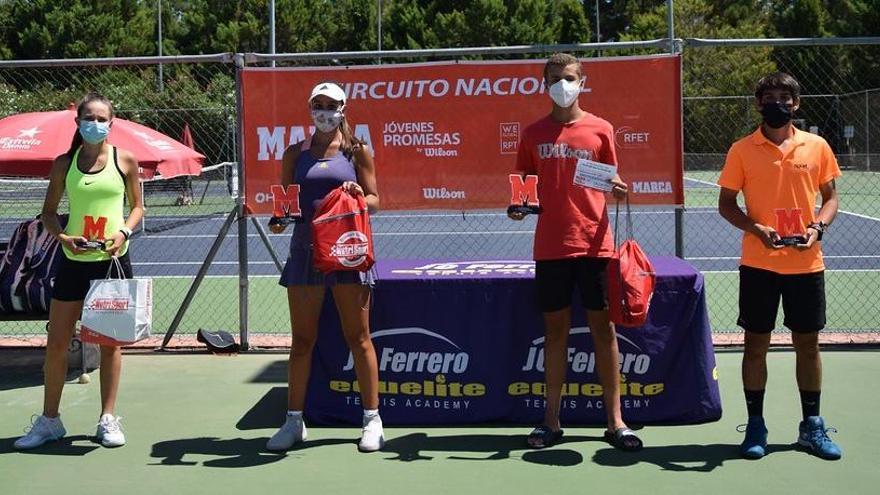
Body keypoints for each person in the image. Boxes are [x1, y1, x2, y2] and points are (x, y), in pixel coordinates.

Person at [510, 53, 639, 451]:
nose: (561, 84)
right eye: (554, 78)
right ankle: (550, 420)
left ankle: (616, 421)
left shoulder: (601, 129)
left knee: (604, 330)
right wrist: (519, 207)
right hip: (551, 246)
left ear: (582, 82)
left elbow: (613, 180)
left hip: (596, 244)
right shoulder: (532, 134)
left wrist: (618, 188)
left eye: (568, 78)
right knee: (555, 332)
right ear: (543, 82)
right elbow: (523, 188)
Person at [718, 72, 842, 460]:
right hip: (758, 264)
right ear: (758, 104)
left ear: (796, 104)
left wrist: (817, 228)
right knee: (756, 346)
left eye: (785, 98)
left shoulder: (817, 146)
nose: (777, 103)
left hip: (806, 265)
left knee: (808, 345)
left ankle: (812, 426)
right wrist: (756, 228)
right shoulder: (741, 149)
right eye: (769, 97)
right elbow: (725, 204)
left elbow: (831, 198)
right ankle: (756, 425)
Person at [15, 92, 144, 449]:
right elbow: (49, 213)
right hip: (73, 262)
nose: (96, 124)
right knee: (57, 342)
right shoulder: (63, 164)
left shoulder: (126, 160)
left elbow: (137, 208)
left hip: (113, 263)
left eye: (103, 119)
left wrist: (123, 232)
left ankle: (107, 418)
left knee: (109, 345)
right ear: (78, 122)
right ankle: (49, 421)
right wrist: (64, 237)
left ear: (112, 123)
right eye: (90, 118)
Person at [266, 82, 383, 452]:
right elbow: (285, 205)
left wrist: (358, 195)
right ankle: (293, 423)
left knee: (358, 337)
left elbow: (377, 200)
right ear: (309, 108)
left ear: (344, 108)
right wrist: (280, 219)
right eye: (318, 104)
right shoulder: (293, 153)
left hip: (348, 251)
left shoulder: (357, 150)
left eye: (331, 105)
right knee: (302, 342)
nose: (324, 111)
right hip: (305, 254)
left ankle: (372, 421)